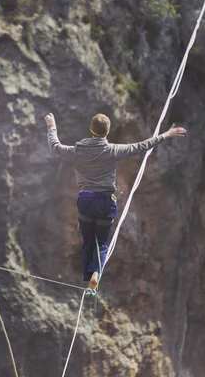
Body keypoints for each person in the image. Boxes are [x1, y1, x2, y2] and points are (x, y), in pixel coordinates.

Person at [45, 113, 186, 294]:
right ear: (108, 131)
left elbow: (55, 147)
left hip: (86, 200)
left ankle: (89, 278)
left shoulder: (78, 151)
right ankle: (96, 273)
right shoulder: (113, 150)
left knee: (88, 240)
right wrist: (165, 135)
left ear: (91, 129)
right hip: (105, 202)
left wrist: (52, 126)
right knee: (101, 243)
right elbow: (142, 146)